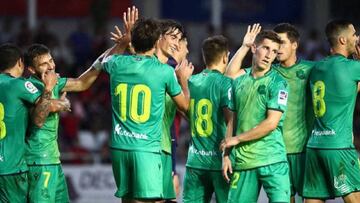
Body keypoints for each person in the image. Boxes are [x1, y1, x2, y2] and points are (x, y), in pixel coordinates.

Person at [100, 18, 193, 203]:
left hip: (141, 145)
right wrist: (184, 82)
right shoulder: (166, 73)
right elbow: (186, 108)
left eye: (180, 39)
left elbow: (106, 61)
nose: (177, 43)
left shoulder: (120, 63)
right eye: (173, 37)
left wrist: (127, 44)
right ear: (158, 39)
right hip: (151, 147)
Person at [24, 43, 102, 203]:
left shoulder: (54, 82)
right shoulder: (28, 86)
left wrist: (109, 55)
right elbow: (38, 120)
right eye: (43, 64)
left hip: (53, 160)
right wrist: (57, 101)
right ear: (31, 70)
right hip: (38, 160)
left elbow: (82, 83)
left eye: (51, 60)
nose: (51, 66)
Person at [221, 29, 290, 203]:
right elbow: (232, 119)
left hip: (272, 159)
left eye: (274, 51)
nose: (269, 55)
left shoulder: (278, 82)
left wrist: (236, 140)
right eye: (265, 48)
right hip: (244, 161)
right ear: (254, 48)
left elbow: (271, 123)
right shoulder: (240, 79)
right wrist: (227, 154)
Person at [303, 19, 360, 203]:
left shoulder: (317, 68)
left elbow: (346, 91)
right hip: (338, 147)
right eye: (354, 35)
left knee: (313, 200)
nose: (357, 38)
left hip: (315, 146)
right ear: (343, 40)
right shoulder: (352, 68)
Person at [0, 43, 65, 202]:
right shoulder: (19, 84)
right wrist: (50, 91)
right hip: (11, 168)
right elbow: (41, 115)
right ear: (20, 62)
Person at [183, 35, 233, 203]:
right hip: (218, 162)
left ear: (204, 57)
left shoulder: (192, 81)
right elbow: (230, 120)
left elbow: (187, 112)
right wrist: (227, 155)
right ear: (226, 56)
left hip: (195, 161)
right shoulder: (226, 83)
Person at [272, 23, 315, 203]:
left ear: (295, 45)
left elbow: (342, 90)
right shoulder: (269, 71)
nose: (277, 48)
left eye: (281, 43)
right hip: (277, 152)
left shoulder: (312, 69)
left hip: (306, 150)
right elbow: (232, 73)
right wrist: (246, 47)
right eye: (275, 44)